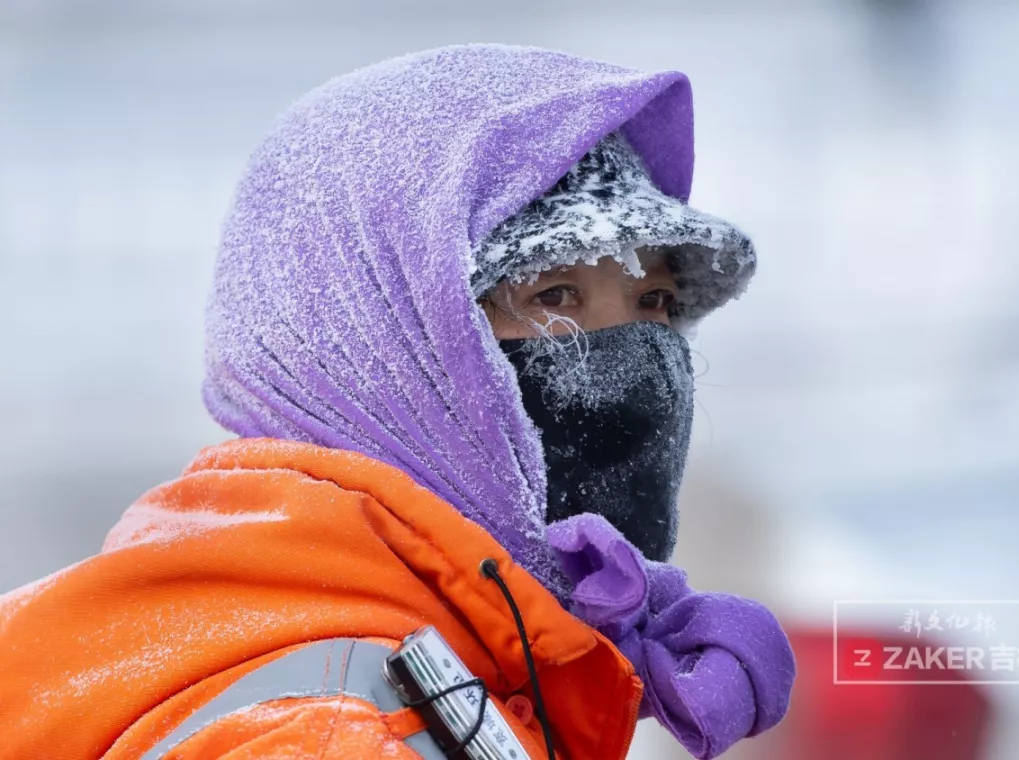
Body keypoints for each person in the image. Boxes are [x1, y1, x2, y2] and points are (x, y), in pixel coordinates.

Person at [0, 44, 795, 759]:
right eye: (555, 295)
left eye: (655, 302)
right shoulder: (343, 733)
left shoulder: (243, 613)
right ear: (379, 340)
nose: (632, 368)